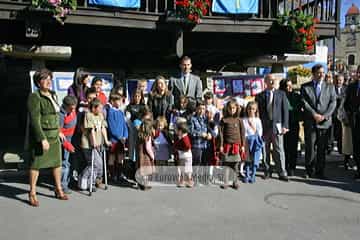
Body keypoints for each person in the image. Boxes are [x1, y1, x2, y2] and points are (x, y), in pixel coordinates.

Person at [27, 68, 69, 207]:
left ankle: (58, 189)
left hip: (54, 135)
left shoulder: (53, 94)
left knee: (56, 164)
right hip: (43, 136)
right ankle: (32, 192)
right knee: (36, 165)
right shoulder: (35, 96)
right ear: (38, 82)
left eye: (49, 79)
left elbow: (56, 117)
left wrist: (59, 131)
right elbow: (34, 120)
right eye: (44, 79)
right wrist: (42, 138)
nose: (48, 81)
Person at [301, 64, 336, 179]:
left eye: (323, 72)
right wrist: (314, 114)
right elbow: (304, 102)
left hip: (324, 123)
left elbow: (333, 103)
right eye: (319, 72)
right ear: (314, 74)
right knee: (310, 147)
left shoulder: (330, 87)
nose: (322, 75)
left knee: (322, 149)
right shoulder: (305, 87)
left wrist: (325, 116)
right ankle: (309, 170)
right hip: (311, 121)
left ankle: (320, 171)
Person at [255, 74, 289, 181]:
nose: (272, 82)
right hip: (264, 127)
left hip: (277, 126)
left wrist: (285, 125)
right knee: (265, 150)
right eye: (270, 80)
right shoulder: (259, 96)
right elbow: (257, 112)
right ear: (265, 82)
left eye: (274, 80)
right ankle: (267, 170)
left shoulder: (281, 94)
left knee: (279, 149)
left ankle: (282, 172)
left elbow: (285, 111)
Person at [79, 99, 111, 190]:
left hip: (98, 143)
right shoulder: (88, 115)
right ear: (93, 108)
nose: (101, 110)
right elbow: (90, 130)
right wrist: (94, 142)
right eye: (99, 108)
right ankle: (83, 177)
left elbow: (103, 128)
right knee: (95, 163)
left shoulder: (100, 115)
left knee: (97, 165)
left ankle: (91, 183)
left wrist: (106, 140)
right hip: (88, 144)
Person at [219, 99, 246, 189]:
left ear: (237, 109)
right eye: (230, 108)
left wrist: (242, 145)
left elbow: (242, 133)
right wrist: (221, 145)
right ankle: (225, 181)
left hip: (236, 146)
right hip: (227, 146)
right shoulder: (224, 120)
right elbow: (221, 134)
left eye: (234, 108)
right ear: (227, 109)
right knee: (226, 165)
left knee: (235, 165)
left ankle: (235, 182)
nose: (232, 110)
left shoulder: (239, 120)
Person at [279, 78, 302, 176]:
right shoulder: (279, 95)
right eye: (287, 86)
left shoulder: (296, 96)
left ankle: (292, 167)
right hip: (283, 124)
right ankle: (285, 165)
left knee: (293, 146)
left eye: (290, 86)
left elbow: (299, 107)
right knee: (284, 146)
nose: (289, 88)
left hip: (293, 123)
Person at [106, 93, 128, 183]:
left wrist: (125, 136)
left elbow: (124, 125)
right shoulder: (111, 112)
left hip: (122, 140)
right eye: (117, 100)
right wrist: (119, 137)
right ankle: (112, 175)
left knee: (120, 158)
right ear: (112, 101)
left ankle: (119, 174)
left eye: (120, 100)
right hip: (114, 140)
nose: (119, 102)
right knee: (112, 157)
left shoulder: (120, 112)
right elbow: (111, 128)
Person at [59, 95, 78, 194]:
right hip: (65, 141)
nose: (73, 109)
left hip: (72, 138)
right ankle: (62, 186)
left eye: (74, 107)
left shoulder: (72, 110)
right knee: (64, 164)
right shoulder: (61, 115)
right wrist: (67, 145)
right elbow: (59, 133)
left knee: (70, 163)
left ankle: (68, 181)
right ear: (66, 106)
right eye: (71, 107)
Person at [344, 65, 360, 179]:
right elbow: (346, 103)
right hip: (355, 120)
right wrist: (350, 115)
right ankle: (359, 170)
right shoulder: (351, 87)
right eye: (359, 72)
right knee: (357, 147)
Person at [189, 101, 210, 185]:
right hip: (196, 144)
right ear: (196, 109)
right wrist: (201, 134)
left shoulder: (206, 118)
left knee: (204, 162)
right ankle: (195, 178)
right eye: (200, 109)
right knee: (196, 162)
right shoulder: (192, 118)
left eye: (203, 109)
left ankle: (203, 178)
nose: (201, 110)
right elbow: (191, 131)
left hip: (205, 144)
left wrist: (210, 134)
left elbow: (211, 129)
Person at [242, 101, 263, 183]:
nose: (251, 110)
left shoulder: (257, 120)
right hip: (247, 140)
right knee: (247, 158)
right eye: (249, 109)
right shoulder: (244, 120)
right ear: (247, 109)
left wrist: (255, 133)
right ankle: (247, 175)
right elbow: (243, 131)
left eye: (253, 109)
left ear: (256, 110)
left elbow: (260, 131)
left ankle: (253, 175)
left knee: (255, 158)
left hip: (255, 140)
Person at [136, 119, 155, 190]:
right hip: (146, 156)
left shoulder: (140, 135)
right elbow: (148, 148)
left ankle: (139, 184)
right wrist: (152, 156)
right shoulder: (148, 136)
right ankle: (145, 185)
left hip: (140, 155)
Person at [173, 122, 194, 188]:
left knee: (187, 169)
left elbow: (188, 147)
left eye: (177, 130)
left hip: (187, 157)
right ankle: (182, 181)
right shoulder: (180, 136)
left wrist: (179, 149)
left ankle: (190, 181)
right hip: (182, 156)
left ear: (181, 131)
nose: (175, 131)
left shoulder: (185, 137)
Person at [333, 74, 346, 155]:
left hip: (342, 115)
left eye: (340, 80)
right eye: (337, 80)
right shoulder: (331, 88)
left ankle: (341, 149)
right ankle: (330, 146)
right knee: (334, 133)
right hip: (333, 114)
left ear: (343, 81)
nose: (339, 81)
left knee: (341, 133)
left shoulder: (346, 89)